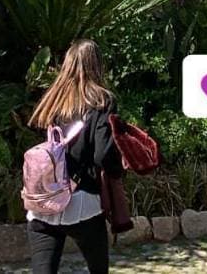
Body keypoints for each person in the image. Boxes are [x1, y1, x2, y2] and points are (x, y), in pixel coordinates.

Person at [26, 39, 124, 274]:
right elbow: (103, 155)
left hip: (43, 203)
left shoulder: (52, 101)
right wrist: (118, 171)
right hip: (82, 204)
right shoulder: (102, 101)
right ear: (97, 65)